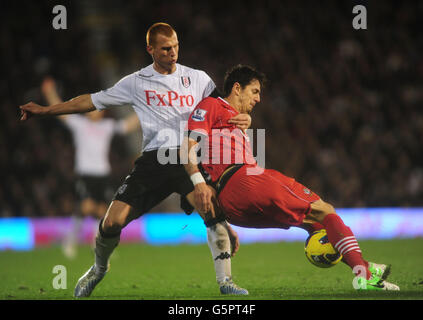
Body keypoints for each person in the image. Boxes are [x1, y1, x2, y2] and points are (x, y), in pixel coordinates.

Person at [20, 23, 250, 297]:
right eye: (166, 48)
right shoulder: (136, 82)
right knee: (112, 222)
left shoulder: (199, 79)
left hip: (189, 158)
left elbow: (222, 109)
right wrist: (46, 110)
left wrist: (245, 117)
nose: (173, 52)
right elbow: (90, 101)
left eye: (176, 46)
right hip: (153, 161)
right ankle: (98, 269)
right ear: (150, 49)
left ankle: (226, 283)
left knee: (212, 213)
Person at [182, 64, 400, 291]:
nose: (259, 99)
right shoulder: (211, 105)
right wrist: (198, 182)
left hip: (233, 206)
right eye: (255, 91)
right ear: (237, 88)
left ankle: (365, 271)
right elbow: (188, 146)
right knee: (325, 210)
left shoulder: (237, 119)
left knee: (315, 225)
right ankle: (363, 273)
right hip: (245, 180)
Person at [40, 77, 140, 259]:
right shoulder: (80, 124)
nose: (96, 112)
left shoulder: (107, 126)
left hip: (102, 174)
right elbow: (60, 111)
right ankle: (70, 242)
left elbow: (127, 126)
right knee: (86, 207)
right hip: (85, 173)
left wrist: (145, 109)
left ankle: (100, 246)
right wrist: (49, 93)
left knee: (103, 211)